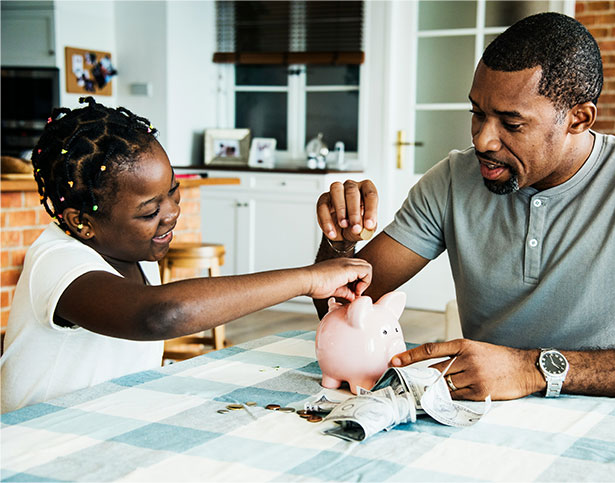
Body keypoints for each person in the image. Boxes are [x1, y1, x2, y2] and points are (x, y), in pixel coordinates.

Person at [314, 12, 615, 401]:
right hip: (481, 417)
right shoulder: (452, 179)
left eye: (511, 124)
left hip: (612, 416)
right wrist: (340, 244)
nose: (483, 140)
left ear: (578, 119)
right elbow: (339, 310)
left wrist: (533, 370)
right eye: (477, 114)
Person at [1, 97, 372, 413]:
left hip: (105, 422)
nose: (172, 212)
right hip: (35, 437)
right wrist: (306, 279)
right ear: (82, 222)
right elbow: (159, 314)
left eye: (173, 192)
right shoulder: (56, 260)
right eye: (149, 211)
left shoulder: (135, 253)